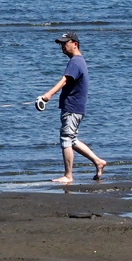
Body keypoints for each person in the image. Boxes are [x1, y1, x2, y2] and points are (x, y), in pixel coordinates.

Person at [39, 31, 106, 184]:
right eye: (61, 44)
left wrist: (47, 95)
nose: (62, 46)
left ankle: (68, 176)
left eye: (65, 43)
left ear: (74, 44)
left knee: (66, 139)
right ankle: (98, 162)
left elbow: (64, 80)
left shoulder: (75, 62)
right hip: (76, 107)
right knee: (72, 139)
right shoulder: (78, 61)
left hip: (72, 108)